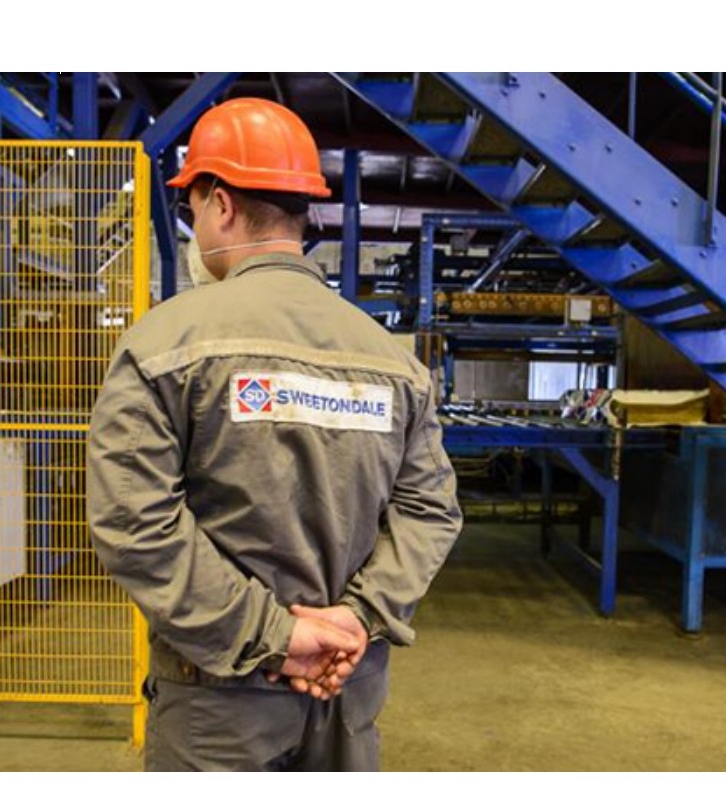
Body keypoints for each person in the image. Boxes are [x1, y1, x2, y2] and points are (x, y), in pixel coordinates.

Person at [86, 97, 463, 772]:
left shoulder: (162, 345)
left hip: (216, 706)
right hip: (345, 688)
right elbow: (431, 511)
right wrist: (358, 617)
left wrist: (277, 635)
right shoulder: (393, 361)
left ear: (221, 204)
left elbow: (134, 522)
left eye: (193, 208)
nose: (195, 227)